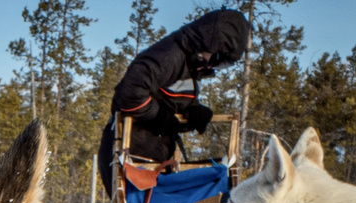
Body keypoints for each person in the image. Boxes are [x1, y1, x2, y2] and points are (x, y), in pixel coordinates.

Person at [96, 10, 250, 190]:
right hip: (130, 155)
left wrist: (193, 111)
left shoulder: (192, 67)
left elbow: (169, 105)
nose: (213, 65)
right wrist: (158, 116)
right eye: (217, 58)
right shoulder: (169, 56)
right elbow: (130, 93)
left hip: (154, 159)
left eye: (222, 63)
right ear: (208, 43)